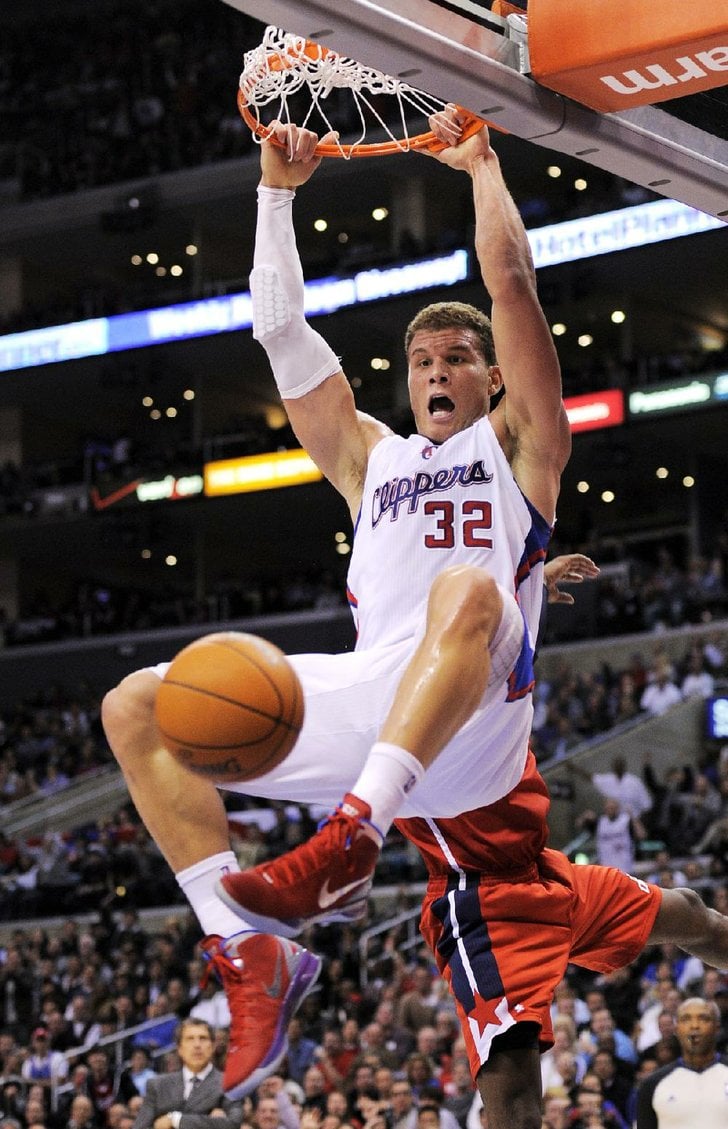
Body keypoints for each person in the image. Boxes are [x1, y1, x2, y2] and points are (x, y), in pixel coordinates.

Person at [102, 102, 570, 1102]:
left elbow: (511, 282)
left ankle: (349, 841)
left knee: (465, 590)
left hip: (476, 723)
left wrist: (482, 167)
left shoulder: (520, 449)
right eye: (421, 361)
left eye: (456, 359)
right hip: (380, 709)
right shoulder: (371, 459)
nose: (436, 369)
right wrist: (276, 192)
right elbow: (279, 332)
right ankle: (248, 954)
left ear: (490, 379)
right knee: (136, 704)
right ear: (405, 383)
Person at [131, 1017, 244, 1129]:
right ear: (179, 1048)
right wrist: (211, 1123)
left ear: (213, 1046)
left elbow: (232, 1124)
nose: (197, 1045)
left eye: (203, 1038)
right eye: (190, 1039)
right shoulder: (157, 1085)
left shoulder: (230, 1084)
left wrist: (175, 1120)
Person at [635, 996, 728, 1128]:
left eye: (703, 1019)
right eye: (686, 1019)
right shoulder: (652, 1085)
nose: (694, 1026)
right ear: (676, 1029)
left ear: (717, 1028)